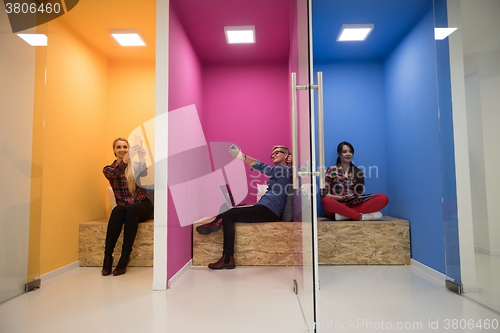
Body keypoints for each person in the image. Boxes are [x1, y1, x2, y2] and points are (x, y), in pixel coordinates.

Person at [196, 145, 292, 269]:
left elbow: (262, 166)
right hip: (266, 208)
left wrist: (240, 156)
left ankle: (227, 255)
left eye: (276, 152)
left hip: (269, 209)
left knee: (227, 214)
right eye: (272, 154)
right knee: (229, 211)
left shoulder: (284, 169)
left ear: (286, 155)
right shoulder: (284, 170)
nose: (273, 155)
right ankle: (217, 224)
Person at [101, 138, 154, 276]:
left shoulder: (134, 166)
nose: (122, 150)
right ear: (114, 150)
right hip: (125, 208)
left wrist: (141, 156)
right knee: (118, 209)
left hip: (142, 205)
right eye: (119, 147)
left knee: (132, 208)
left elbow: (144, 173)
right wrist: (127, 159)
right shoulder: (109, 169)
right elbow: (115, 174)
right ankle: (107, 256)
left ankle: (125, 256)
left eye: (125, 147)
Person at [321, 141, 388, 221]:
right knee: (326, 201)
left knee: (383, 198)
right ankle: (360, 217)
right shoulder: (331, 170)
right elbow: (325, 194)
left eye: (350, 151)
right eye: (344, 152)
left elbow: (360, 193)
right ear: (339, 154)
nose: (348, 154)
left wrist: (359, 199)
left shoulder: (358, 172)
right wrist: (339, 198)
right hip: (338, 206)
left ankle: (345, 216)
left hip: (355, 206)